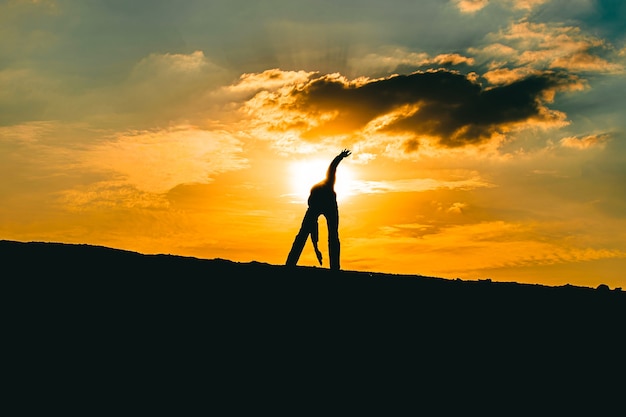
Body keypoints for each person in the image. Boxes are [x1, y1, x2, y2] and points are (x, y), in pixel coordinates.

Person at [286, 149, 351, 270]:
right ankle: (290, 263)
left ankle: (334, 267)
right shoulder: (313, 204)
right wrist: (316, 248)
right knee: (303, 234)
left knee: (333, 236)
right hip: (323, 204)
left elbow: (332, 168)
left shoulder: (327, 184)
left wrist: (340, 156)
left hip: (330, 205)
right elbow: (310, 230)